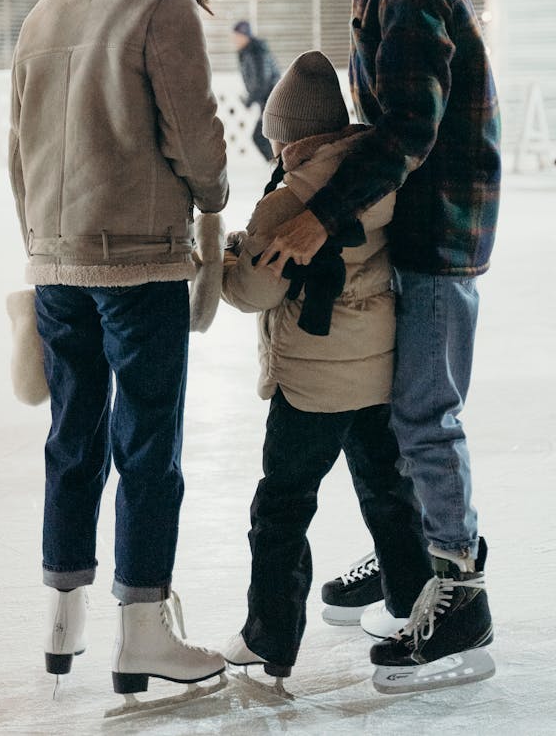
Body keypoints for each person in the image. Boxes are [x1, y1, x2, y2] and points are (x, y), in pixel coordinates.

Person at [256, 0, 502, 691]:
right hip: (426, 228)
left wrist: (319, 216)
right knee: (401, 407)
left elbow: (406, 130)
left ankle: (458, 591)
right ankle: (419, 558)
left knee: (425, 415)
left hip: (439, 235)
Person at [8, 0, 229, 698]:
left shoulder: (44, 11)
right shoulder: (160, 6)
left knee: (74, 437)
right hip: (139, 263)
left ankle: (63, 618)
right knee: (147, 446)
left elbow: (15, 153)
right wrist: (211, 202)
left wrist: (41, 245)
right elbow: (195, 135)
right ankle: (141, 631)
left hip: (57, 263)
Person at [220, 51, 432, 681]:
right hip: (377, 365)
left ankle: (271, 637)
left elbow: (253, 291)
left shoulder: (288, 202)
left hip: (311, 379)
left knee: (282, 505)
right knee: (389, 492)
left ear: (292, 136)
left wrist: (230, 254)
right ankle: (412, 607)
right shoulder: (375, 175)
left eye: (278, 138)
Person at [232, 20, 280, 161]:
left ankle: (281, 169)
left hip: (272, 100)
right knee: (265, 137)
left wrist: (249, 100)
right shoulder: (249, 52)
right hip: (268, 100)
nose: (234, 40)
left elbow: (262, 82)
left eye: (236, 36)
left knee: (260, 137)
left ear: (244, 36)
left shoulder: (256, 52)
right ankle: (280, 168)